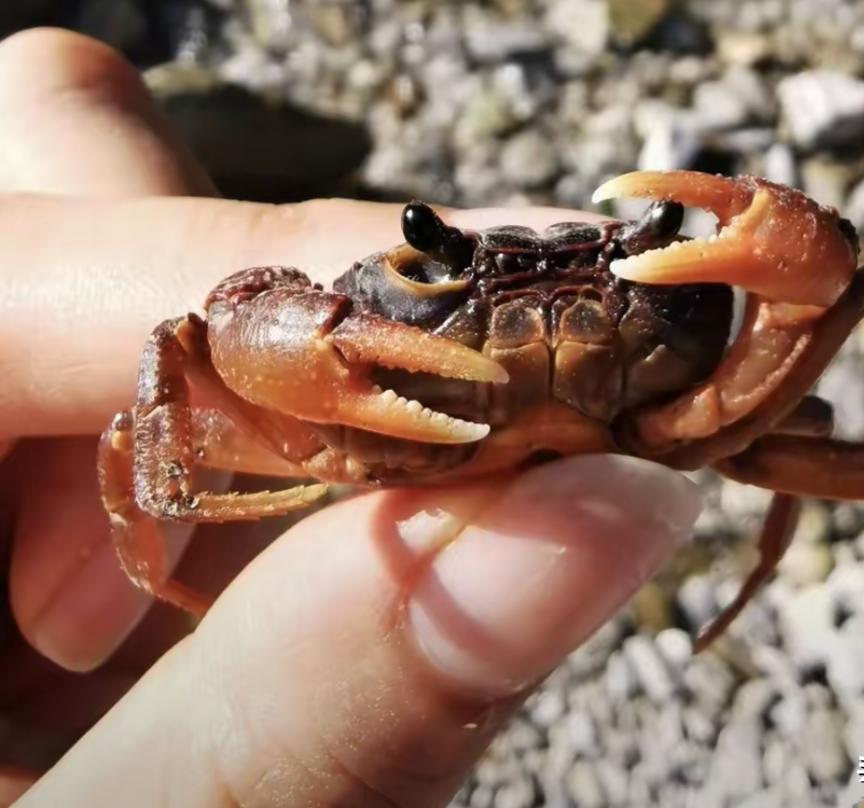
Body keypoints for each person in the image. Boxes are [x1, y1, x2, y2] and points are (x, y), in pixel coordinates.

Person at [0, 28, 702, 807]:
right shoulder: (329, 379)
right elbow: (192, 338)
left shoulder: (707, 373)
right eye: (440, 264)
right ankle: (164, 596)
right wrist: (166, 575)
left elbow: (800, 305)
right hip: (363, 428)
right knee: (138, 414)